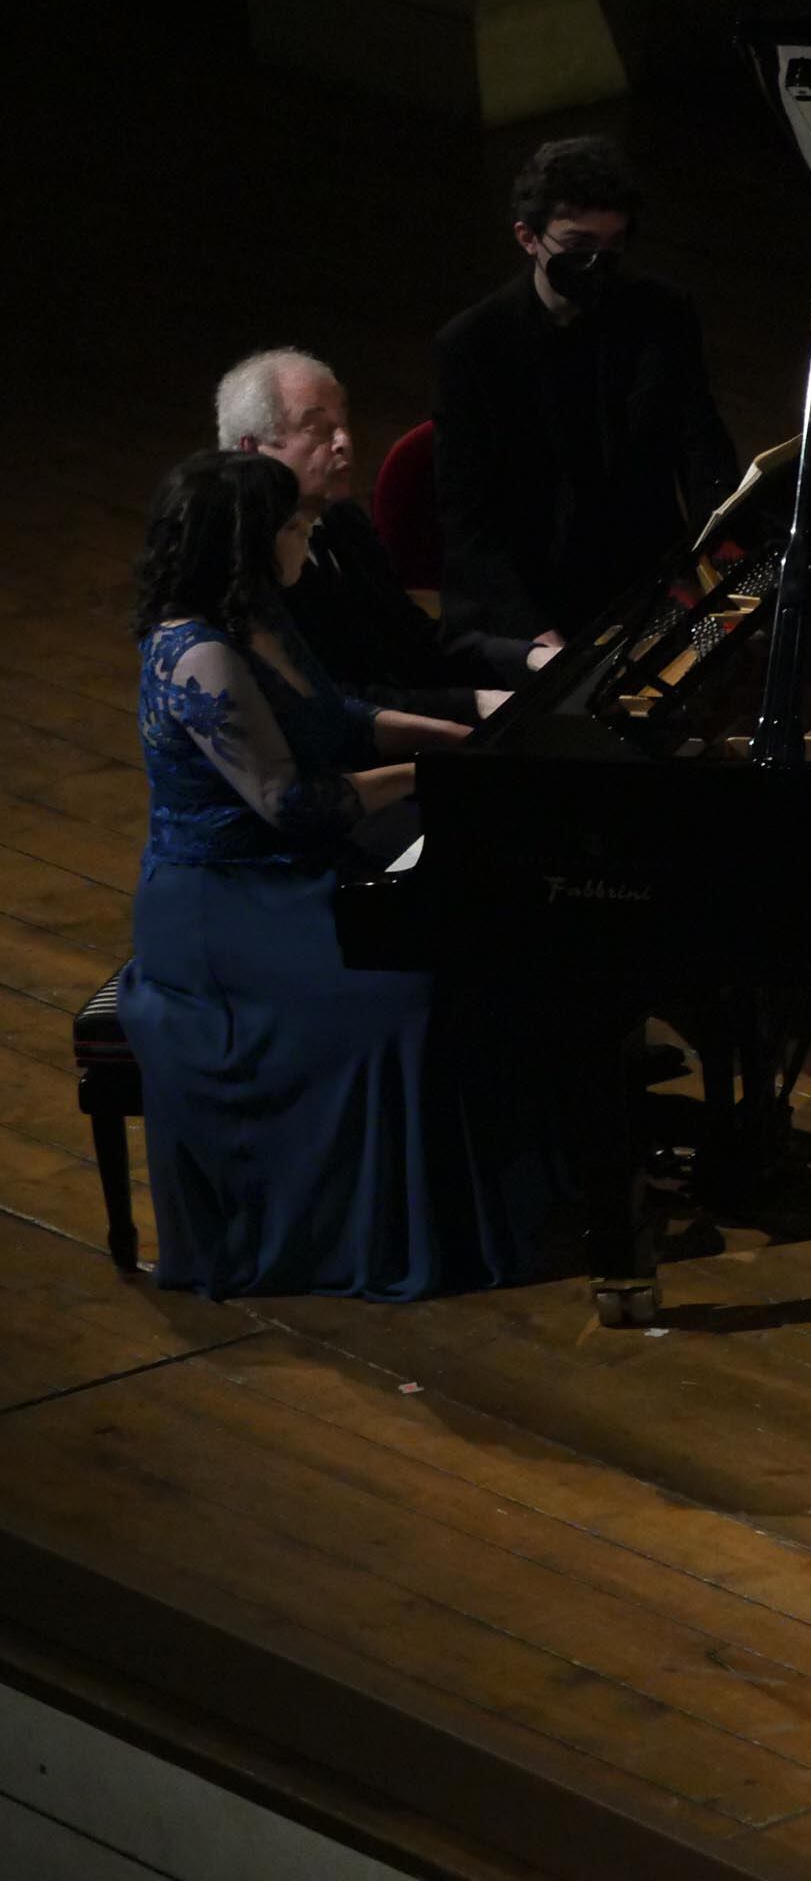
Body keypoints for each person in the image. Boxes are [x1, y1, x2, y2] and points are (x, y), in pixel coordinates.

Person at [119, 451, 557, 1299]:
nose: (308, 533)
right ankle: (384, 1236)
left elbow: (339, 716)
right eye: (294, 525)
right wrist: (436, 779)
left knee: (473, 940)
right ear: (248, 541)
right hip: (223, 905)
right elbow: (295, 802)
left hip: (285, 871)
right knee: (411, 991)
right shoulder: (197, 655)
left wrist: (455, 738)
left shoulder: (260, 615)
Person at [432, 135, 740, 646]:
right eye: (579, 246)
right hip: (529, 593)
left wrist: (722, 561)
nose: (599, 262)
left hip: (639, 576)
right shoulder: (471, 346)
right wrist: (538, 637)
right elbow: (469, 522)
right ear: (528, 238)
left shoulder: (661, 314)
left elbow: (701, 447)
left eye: (613, 245)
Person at [219, 347, 553, 723]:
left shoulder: (340, 516)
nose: (344, 441)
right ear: (251, 450)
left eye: (343, 422)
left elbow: (414, 641)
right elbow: (331, 704)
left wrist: (529, 657)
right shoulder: (240, 562)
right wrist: (475, 704)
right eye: (317, 429)